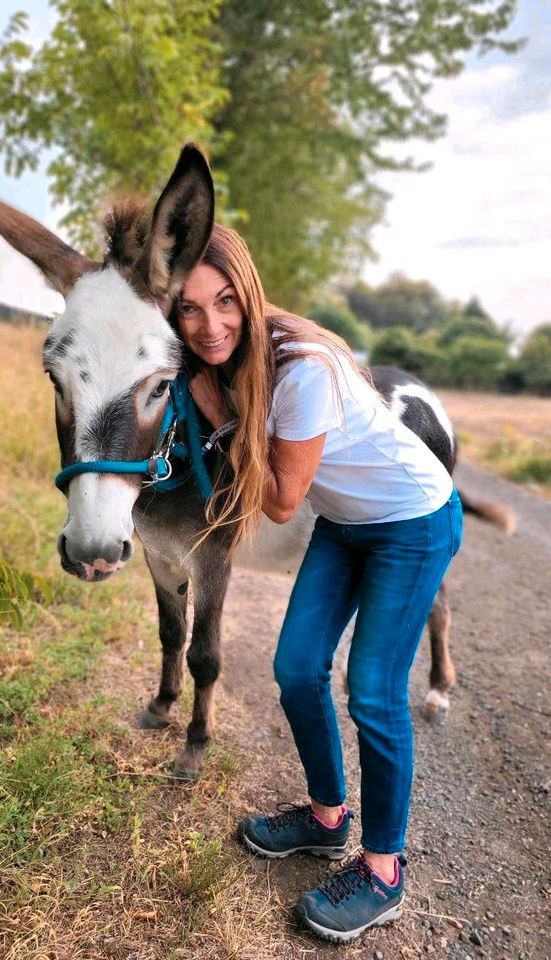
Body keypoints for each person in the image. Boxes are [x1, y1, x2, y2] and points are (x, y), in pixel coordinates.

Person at [171, 223, 463, 944]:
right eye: (190, 309)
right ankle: (328, 817)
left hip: (413, 519)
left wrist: (210, 403)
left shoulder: (297, 367)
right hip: (347, 522)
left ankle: (384, 870)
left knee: (370, 690)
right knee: (297, 668)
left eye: (225, 302)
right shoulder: (227, 353)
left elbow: (278, 500)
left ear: (249, 293)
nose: (210, 325)